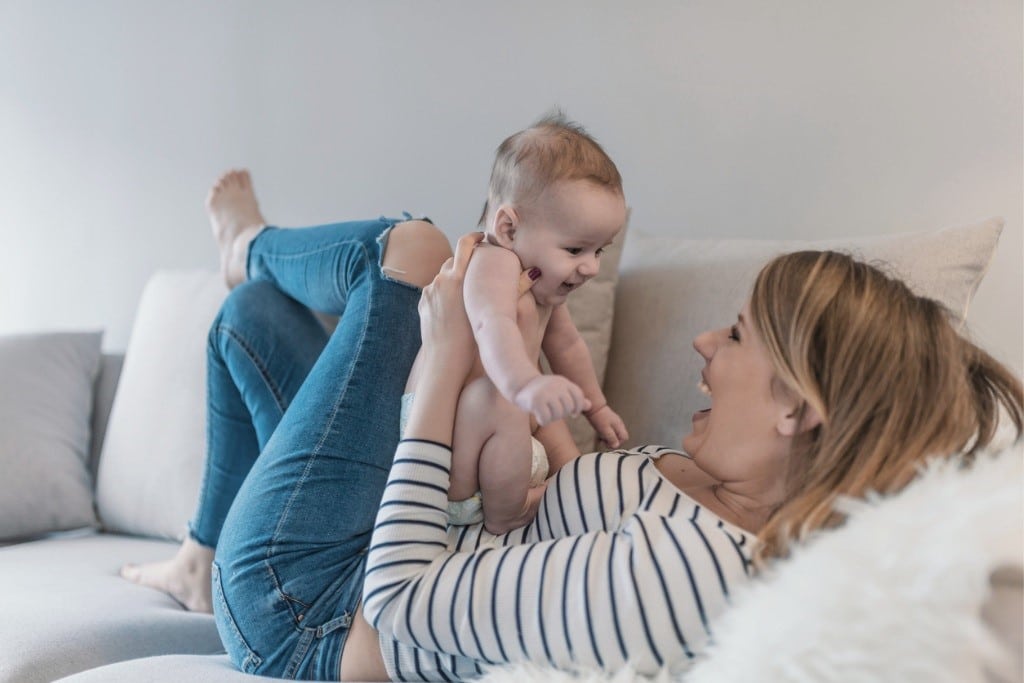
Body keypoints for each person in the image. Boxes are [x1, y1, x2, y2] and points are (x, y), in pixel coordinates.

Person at [124, 172, 1022, 680]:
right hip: (364, 541)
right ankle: (201, 552)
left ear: (799, 408)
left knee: (411, 251)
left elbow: (399, 601)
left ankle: (244, 242)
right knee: (251, 326)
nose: (706, 343)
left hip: (317, 608)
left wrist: (441, 371)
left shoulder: (690, 568)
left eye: (740, 334)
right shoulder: (706, 481)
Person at [402, 115, 629, 533]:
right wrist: (525, 385)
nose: (592, 267)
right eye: (577, 248)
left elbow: (569, 347)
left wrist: (596, 407)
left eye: (601, 250)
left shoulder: (543, 287)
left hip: (499, 432)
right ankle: (510, 511)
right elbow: (494, 325)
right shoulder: (492, 263)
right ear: (508, 228)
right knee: (507, 395)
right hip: (449, 451)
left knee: (549, 417)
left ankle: (576, 481)